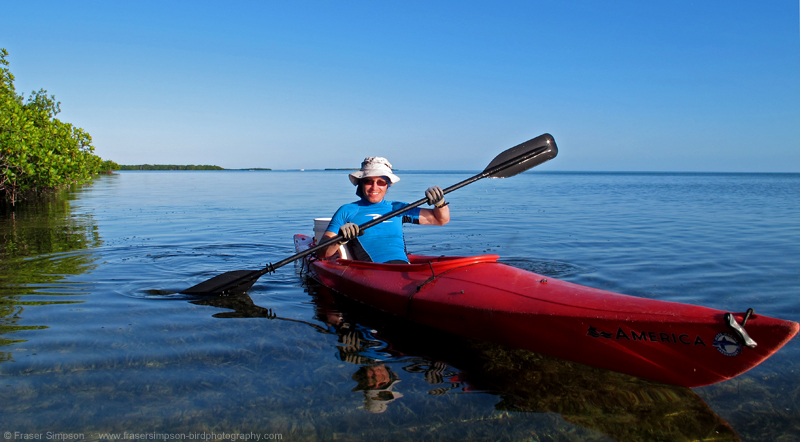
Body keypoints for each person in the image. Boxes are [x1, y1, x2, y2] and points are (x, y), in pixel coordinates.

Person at [318, 156, 449, 263]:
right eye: (368, 181)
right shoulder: (347, 210)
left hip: (404, 268)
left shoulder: (399, 208)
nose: (374, 187)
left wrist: (440, 203)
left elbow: (440, 220)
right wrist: (340, 239)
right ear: (361, 184)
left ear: (387, 185)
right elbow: (321, 253)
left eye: (381, 182)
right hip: (373, 273)